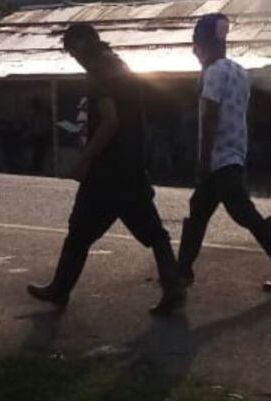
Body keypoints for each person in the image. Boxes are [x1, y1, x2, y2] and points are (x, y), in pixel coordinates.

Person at [26, 23, 185, 315]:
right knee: (153, 233)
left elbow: (110, 121)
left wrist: (84, 160)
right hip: (131, 165)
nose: (74, 57)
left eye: (73, 50)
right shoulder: (118, 65)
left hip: (107, 170)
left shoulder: (99, 71)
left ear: (83, 44)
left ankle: (60, 289)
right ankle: (173, 286)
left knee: (79, 232)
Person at [177, 13, 271, 291]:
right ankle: (181, 272)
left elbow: (209, 118)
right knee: (198, 211)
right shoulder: (239, 71)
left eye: (195, 46)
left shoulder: (213, 73)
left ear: (203, 44)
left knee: (243, 214)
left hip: (219, 160)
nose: (195, 53)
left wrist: (202, 160)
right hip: (234, 154)